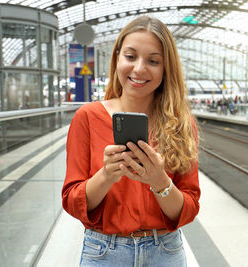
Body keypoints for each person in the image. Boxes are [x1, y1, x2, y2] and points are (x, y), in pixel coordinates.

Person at [62, 16, 200, 267]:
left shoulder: (181, 123)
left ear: (166, 68)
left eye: (153, 61)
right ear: (117, 59)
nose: (138, 69)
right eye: (130, 56)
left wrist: (160, 182)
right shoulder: (87, 118)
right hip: (104, 252)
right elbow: (72, 201)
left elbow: (187, 210)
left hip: (166, 251)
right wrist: (106, 175)